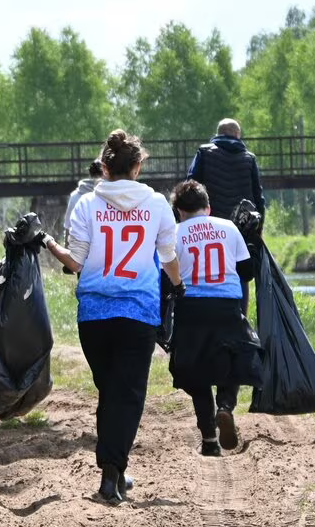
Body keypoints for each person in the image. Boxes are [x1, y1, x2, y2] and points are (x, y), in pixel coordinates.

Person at [38, 129, 185, 504]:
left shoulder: (87, 205)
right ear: (137, 167)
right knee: (128, 394)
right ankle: (112, 472)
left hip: (94, 315)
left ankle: (113, 469)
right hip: (138, 312)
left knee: (110, 391)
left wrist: (47, 242)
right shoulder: (155, 204)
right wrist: (179, 286)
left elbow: (75, 263)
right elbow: (168, 257)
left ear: (104, 167)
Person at [168, 180, 261, 457]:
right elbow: (246, 272)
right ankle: (226, 406)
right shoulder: (229, 227)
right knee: (231, 360)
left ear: (178, 211)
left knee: (197, 374)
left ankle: (209, 438)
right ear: (207, 207)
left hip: (191, 308)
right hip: (226, 307)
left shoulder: (174, 233)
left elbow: (165, 275)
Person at [187, 118, 265, 315]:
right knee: (240, 273)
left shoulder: (205, 153)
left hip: (207, 226)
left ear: (218, 133)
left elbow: (191, 186)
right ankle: (240, 318)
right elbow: (259, 198)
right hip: (241, 229)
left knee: (207, 269)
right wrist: (258, 231)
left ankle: (207, 315)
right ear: (238, 136)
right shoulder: (249, 159)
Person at [64, 159, 104, 246]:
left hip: (79, 246)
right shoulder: (108, 196)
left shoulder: (75, 196)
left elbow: (68, 226)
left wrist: (67, 248)